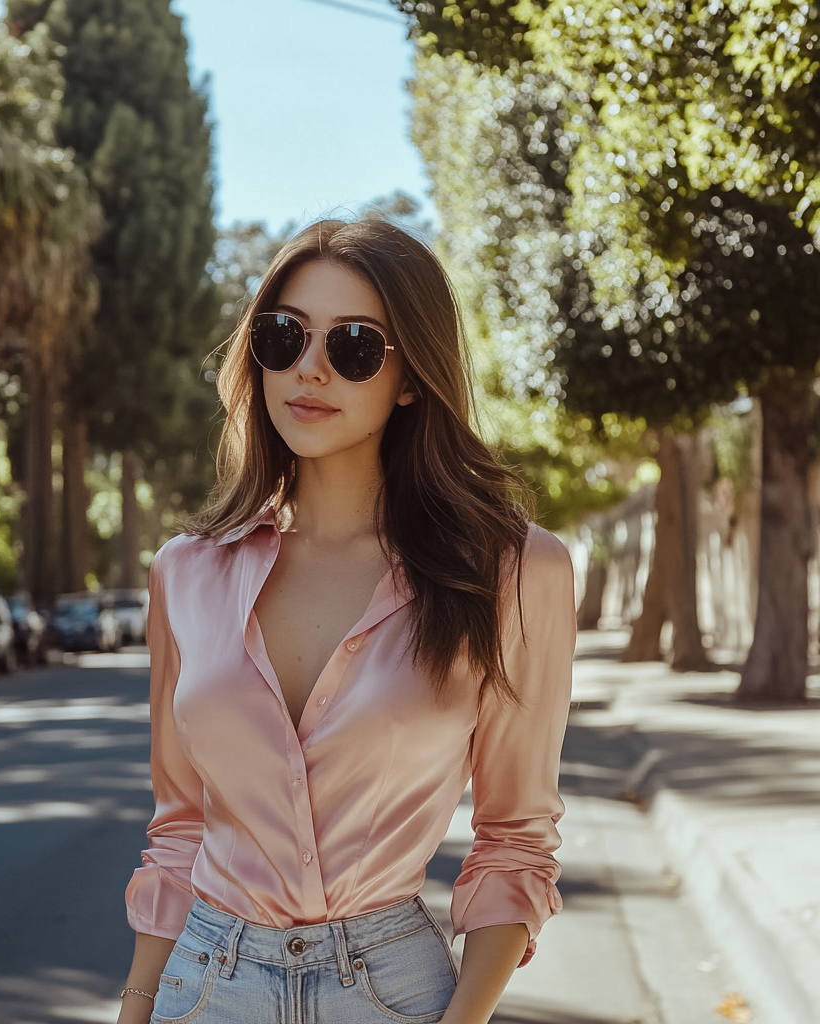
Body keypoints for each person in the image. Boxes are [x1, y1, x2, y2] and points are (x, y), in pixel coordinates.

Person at [117, 219, 576, 1024]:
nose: (310, 369)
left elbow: (514, 838)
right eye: (283, 336)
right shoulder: (185, 573)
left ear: (409, 377)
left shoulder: (511, 572)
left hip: (391, 994)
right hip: (203, 987)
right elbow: (180, 828)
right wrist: (136, 1009)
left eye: (355, 345)